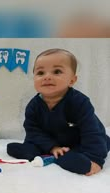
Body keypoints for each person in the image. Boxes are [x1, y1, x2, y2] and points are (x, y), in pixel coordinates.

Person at [7, 48, 110, 176]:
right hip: (52, 139)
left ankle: (72, 156)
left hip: (78, 139)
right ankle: (46, 152)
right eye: (40, 73)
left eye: (57, 71)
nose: (47, 77)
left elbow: (91, 131)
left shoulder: (80, 102)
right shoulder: (33, 106)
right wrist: (52, 147)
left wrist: (95, 159)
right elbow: (33, 130)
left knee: (93, 144)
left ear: (72, 80)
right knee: (20, 146)